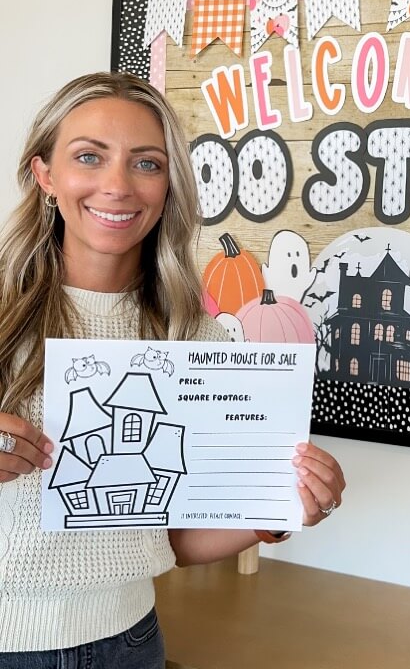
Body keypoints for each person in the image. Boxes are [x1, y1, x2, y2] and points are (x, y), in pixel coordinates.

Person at [0, 72, 345, 667]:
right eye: (89, 157)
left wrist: (274, 511)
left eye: (147, 164)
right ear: (45, 175)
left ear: (170, 187)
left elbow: (173, 543)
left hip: (129, 643)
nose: (117, 186)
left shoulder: (197, 339)